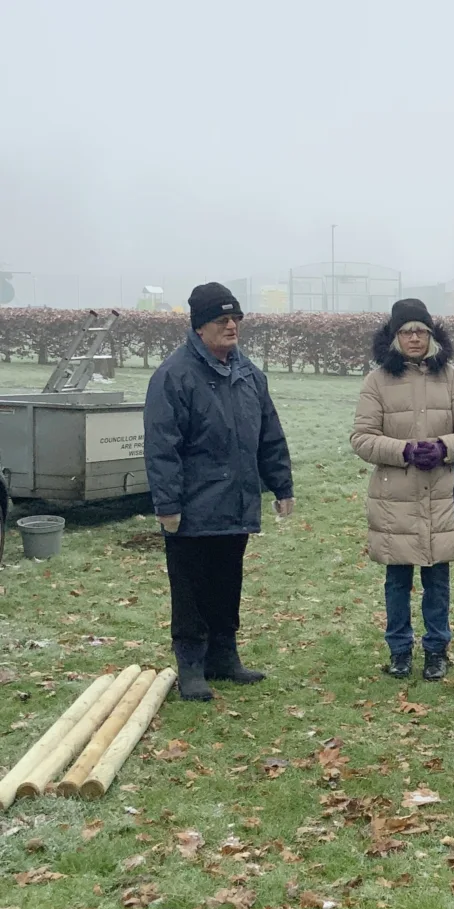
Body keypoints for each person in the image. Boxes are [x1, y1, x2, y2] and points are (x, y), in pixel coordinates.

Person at [144, 282, 294, 702]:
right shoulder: (173, 376)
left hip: (237, 503)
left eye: (236, 319)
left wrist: (281, 484)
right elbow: (162, 446)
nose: (232, 326)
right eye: (222, 320)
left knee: (228, 583)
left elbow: (270, 435)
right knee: (190, 588)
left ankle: (224, 658)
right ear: (199, 327)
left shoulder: (249, 374)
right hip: (191, 509)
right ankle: (191, 665)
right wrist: (168, 505)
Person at [351, 299, 454, 681]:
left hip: (440, 496)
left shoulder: (450, 376)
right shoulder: (377, 381)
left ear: (431, 335)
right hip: (394, 500)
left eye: (420, 330)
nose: (414, 337)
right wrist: (402, 451)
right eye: (406, 331)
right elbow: (362, 438)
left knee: (437, 580)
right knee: (397, 581)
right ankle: (399, 650)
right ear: (394, 336)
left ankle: (437, 649)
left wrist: (442, 448)